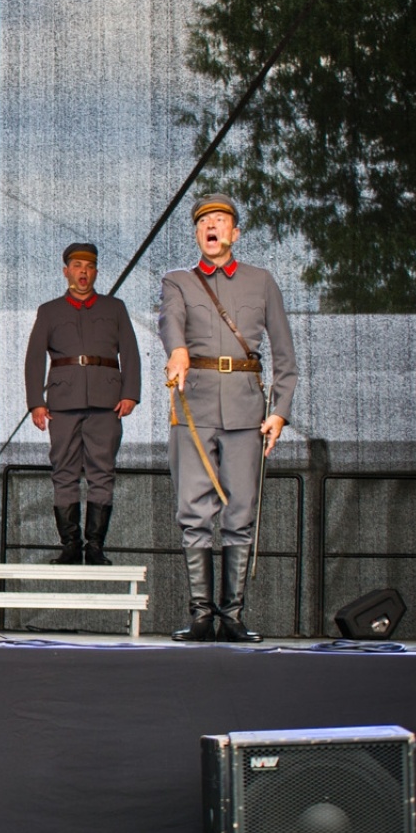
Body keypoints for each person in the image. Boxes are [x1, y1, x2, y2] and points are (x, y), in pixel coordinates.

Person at [161, 194, 296, 643]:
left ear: (235, 233)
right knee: (193, 512)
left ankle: (232, 615)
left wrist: (279, 412)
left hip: (245, 409)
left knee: (240, 513)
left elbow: (284, 356)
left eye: (220, 221)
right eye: (204, 222)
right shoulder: (178, 281)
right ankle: (202, 615)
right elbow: (171, 323)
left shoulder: (261, 282)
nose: (212, 227)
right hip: (194, 408)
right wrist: (177, 352)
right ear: (197, 234)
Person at [24, 242, 141, 564]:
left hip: (106, 401)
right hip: (63, 401)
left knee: (102, 473)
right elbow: (34, 358)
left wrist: (130, 392)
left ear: (96, 272)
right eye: (77, 266)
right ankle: (71, 546)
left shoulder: (114, 308)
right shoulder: (49, 311)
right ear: (66, 272)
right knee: (64, 472)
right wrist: (36, 401)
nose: (83, 272)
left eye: (88, 266)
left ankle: (95, 546)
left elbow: (129, 351)